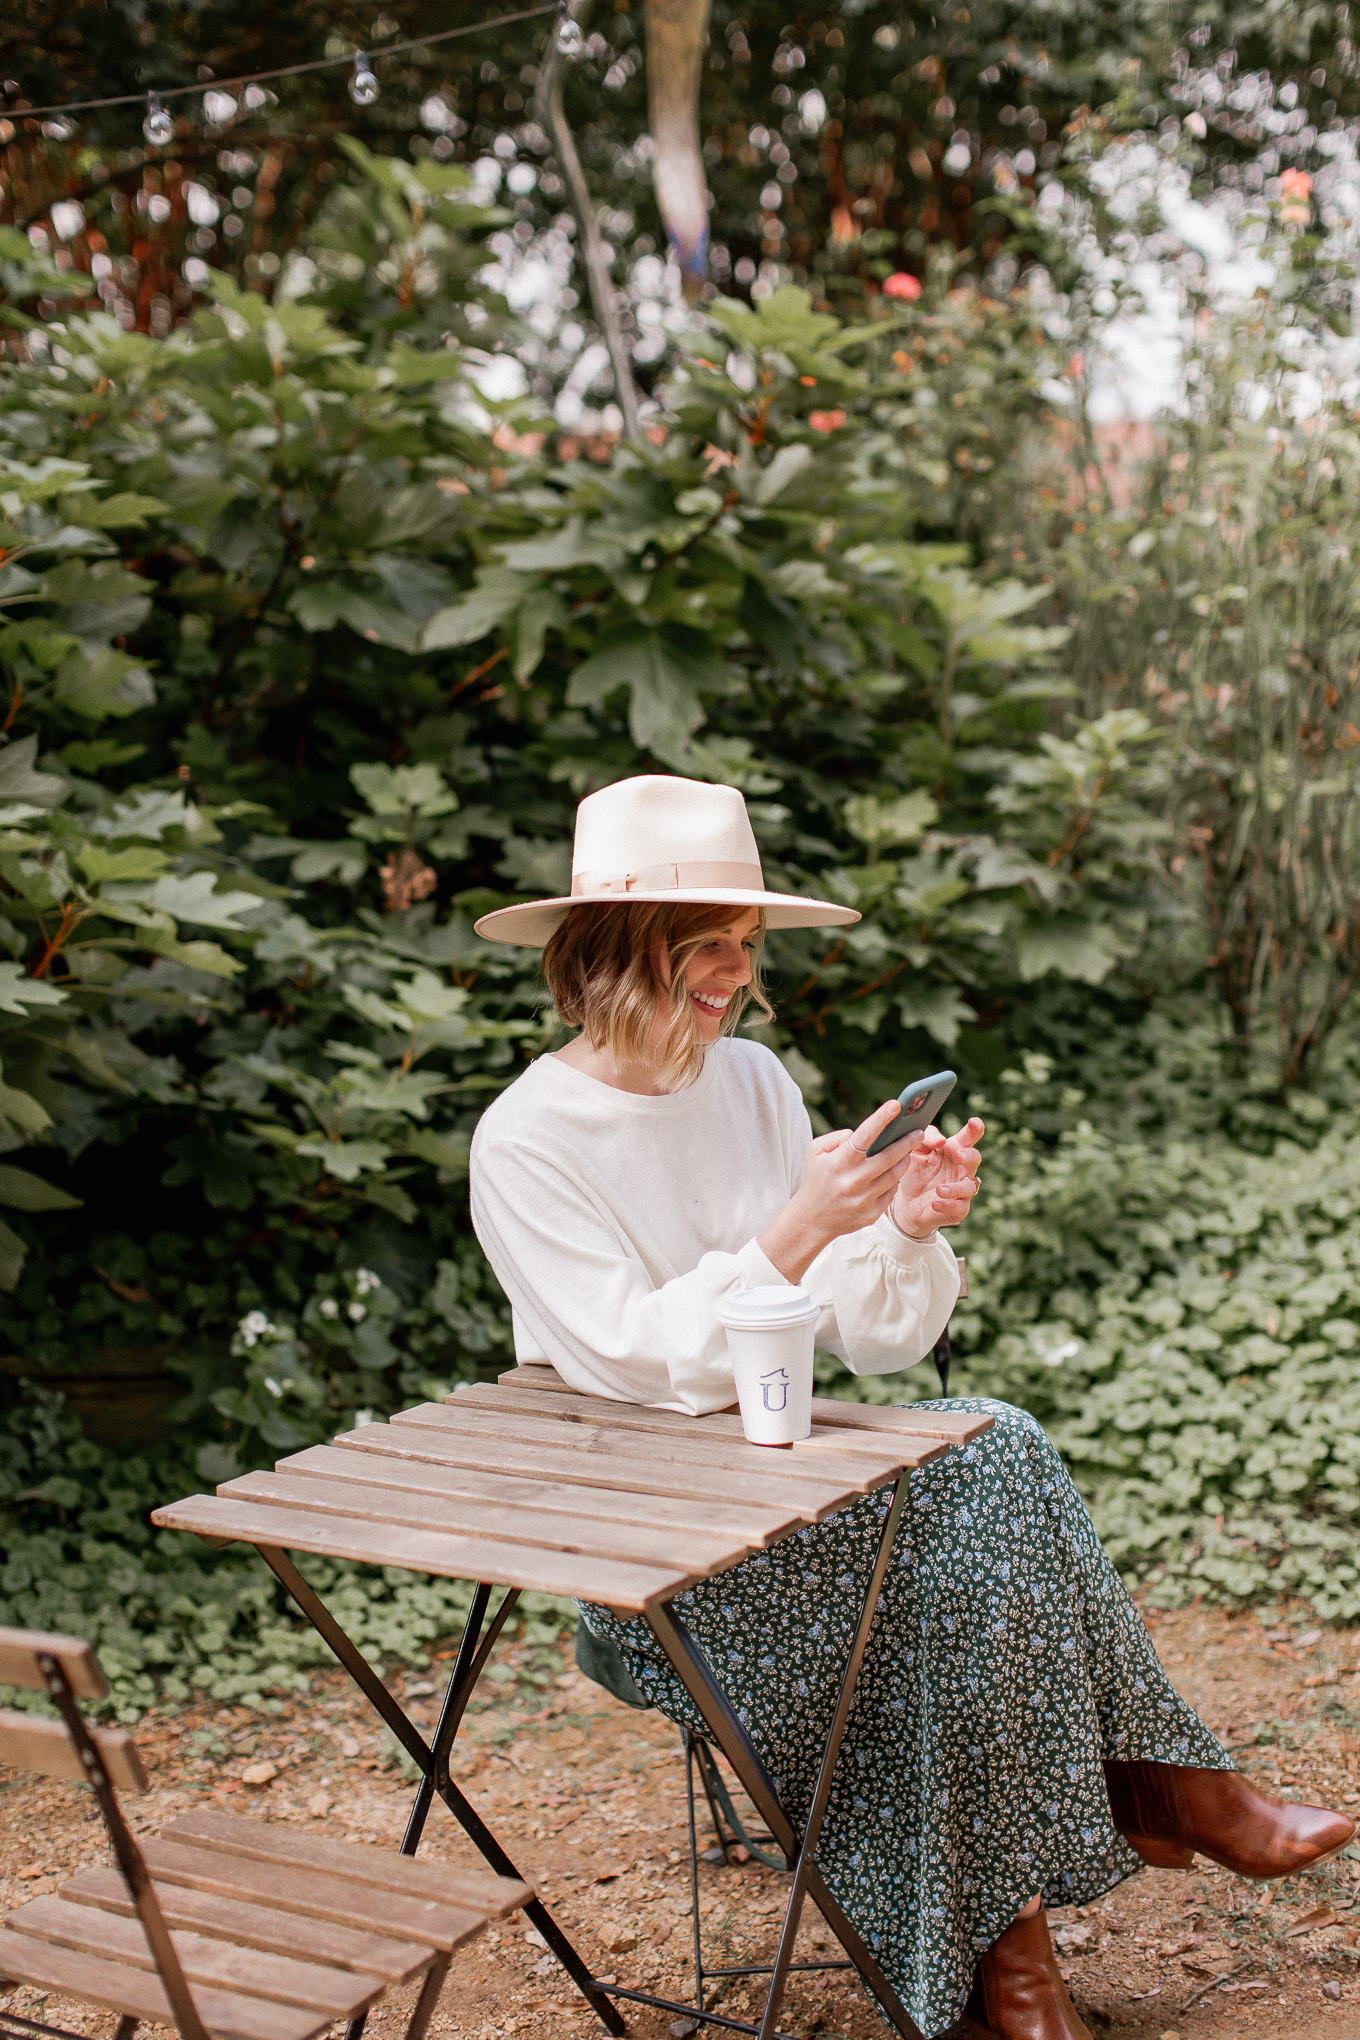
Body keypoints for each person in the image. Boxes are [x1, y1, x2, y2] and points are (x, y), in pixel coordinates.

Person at [469, 774, 1353, 2040]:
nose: (734, 975)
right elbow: (637, 1364)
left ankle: (1024, 1953)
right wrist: (793, 1230)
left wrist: (897, 1227)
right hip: (660, 1544)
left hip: (800, 1476)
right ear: (613, 952)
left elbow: (878, 1338)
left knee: (991, 1466)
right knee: (970, 1543)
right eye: (706, 946)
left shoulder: (755, 1081)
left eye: (746, 946)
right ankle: (1151, 1814)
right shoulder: (527, 1140)